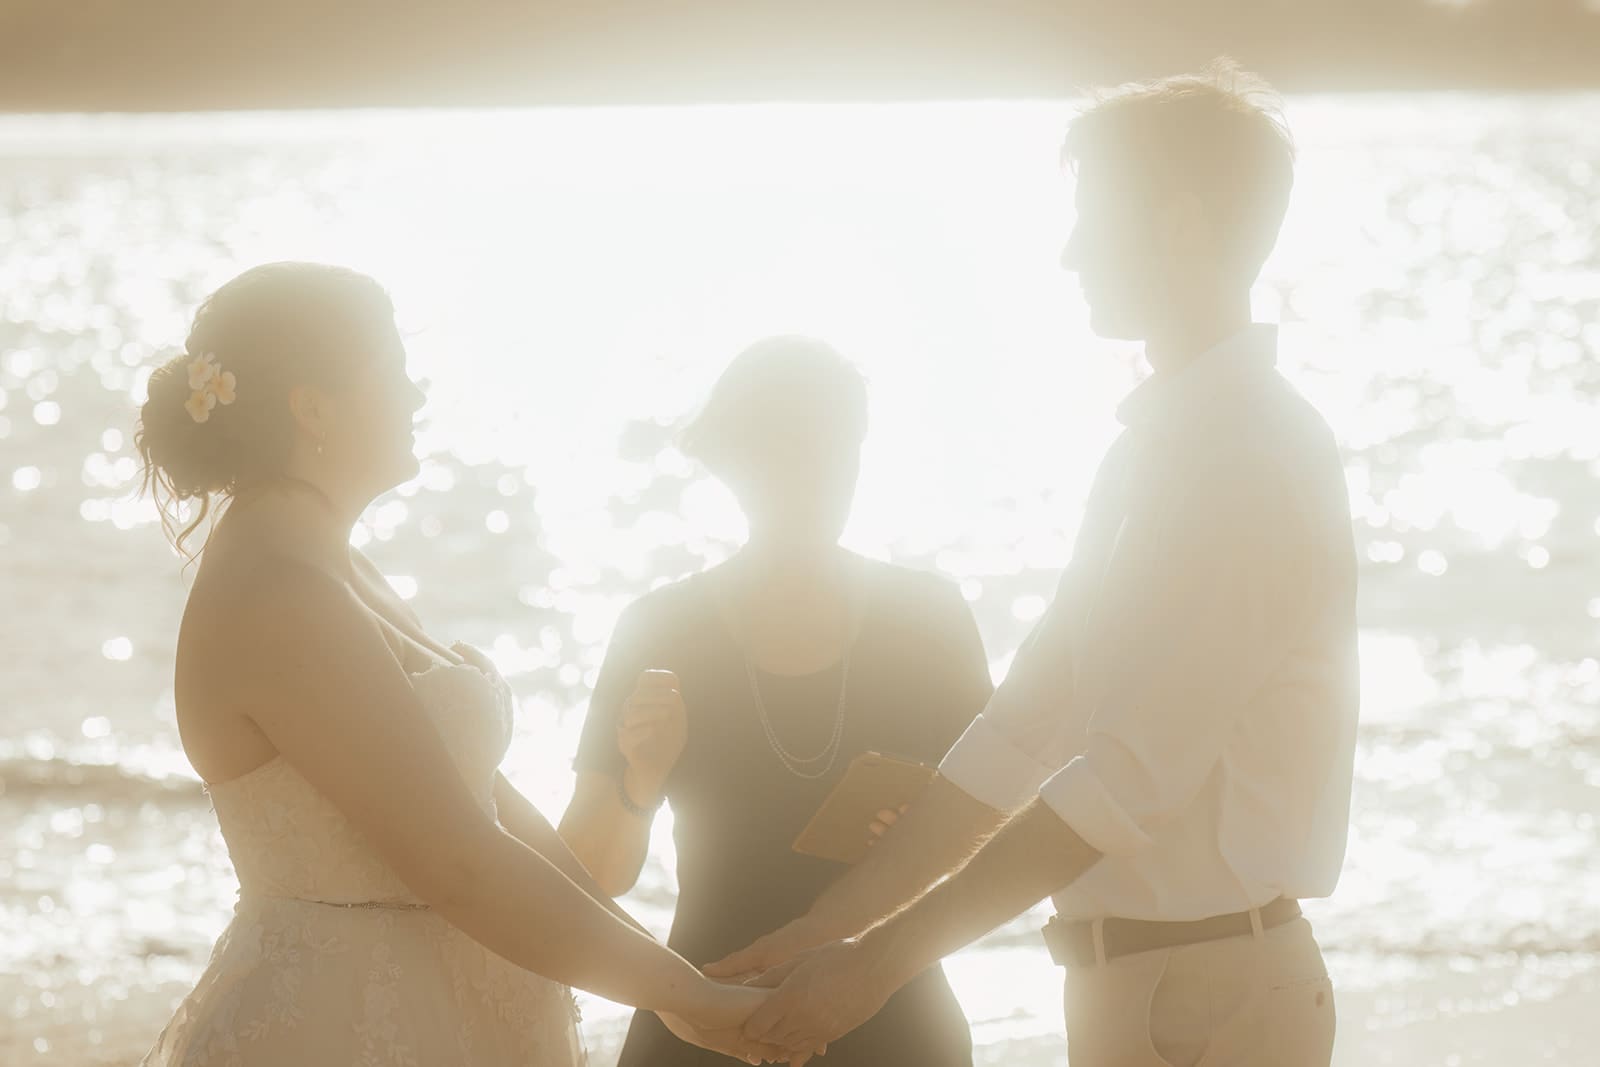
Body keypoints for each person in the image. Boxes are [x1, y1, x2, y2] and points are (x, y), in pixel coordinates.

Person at [708, 61, 1360, 1067]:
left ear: (1180, 222)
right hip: (1133, 987)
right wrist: (828, 929)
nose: (1068, 254)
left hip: (1215, 996)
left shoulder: (1249, 459)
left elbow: (1125, 780)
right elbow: (1024, 727)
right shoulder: (1151, 449)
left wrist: (871, 968)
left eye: (1092, 217)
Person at [134, 262, 772, 1067]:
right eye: (396, 371)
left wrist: (673, 975)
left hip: (453, 1018)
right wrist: (687, 1001)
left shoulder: (334, 562)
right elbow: (462, 863)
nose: (417, 395)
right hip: (339, 1034)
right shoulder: (278, 592)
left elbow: (497, 813)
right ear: (314, 406)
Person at [559, 336, 991, 1067]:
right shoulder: (662, 629)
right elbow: (584, 878)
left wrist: (929, 840)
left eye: (836, 449)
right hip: (705, 1019)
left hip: (893, 1015)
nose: (818, 476)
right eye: (790, 452)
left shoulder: (930, 618)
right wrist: (640, 781)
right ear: (738, 466)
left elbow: (1005, 828)